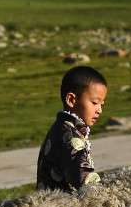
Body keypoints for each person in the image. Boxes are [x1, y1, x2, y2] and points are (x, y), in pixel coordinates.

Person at [36, 65, 108, 193]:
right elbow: (81, 174)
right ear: (71, 100)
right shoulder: (68, 134)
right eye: (95, 103)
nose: (99, 110)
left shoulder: (64, 127)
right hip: (59, 206)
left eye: (102, 104)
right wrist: (107, 191)